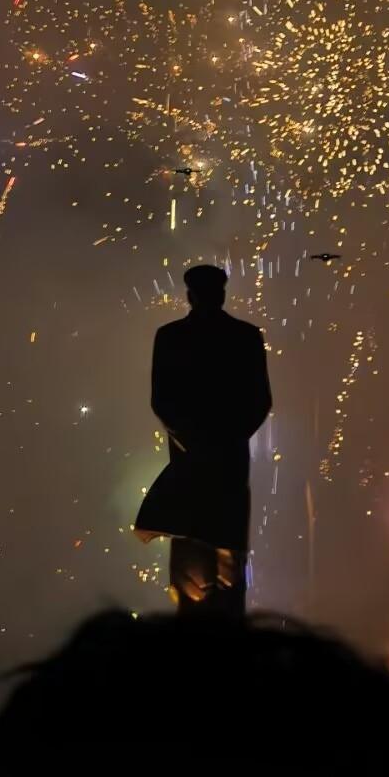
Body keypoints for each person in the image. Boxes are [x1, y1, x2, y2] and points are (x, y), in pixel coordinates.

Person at [135, 262, 272, 615]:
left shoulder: (171, 337)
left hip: (196, 460)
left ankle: (199, 634)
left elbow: (162, 400)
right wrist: (224, 439)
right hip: (220, 460)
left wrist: (194, 441)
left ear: (189, 295)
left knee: (197, 550)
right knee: (214, 550)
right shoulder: (244, 336)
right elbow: (258, 401)